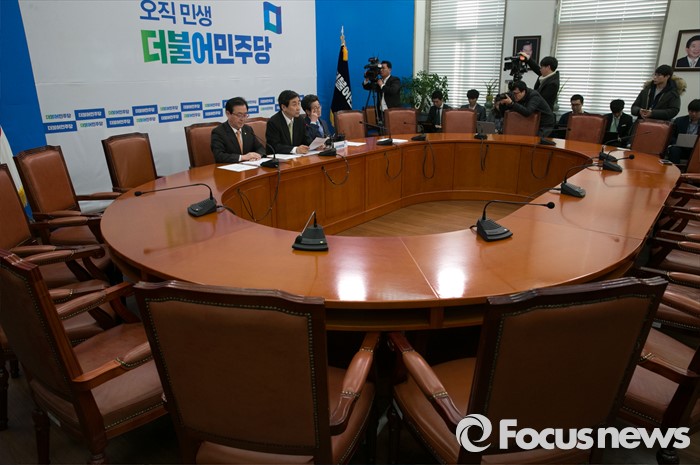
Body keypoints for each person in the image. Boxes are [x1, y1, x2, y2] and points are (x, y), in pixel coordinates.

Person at [211, 97, 265, 163]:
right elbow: (219, 156)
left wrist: (257, 155)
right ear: (228, 114)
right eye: (239, 115)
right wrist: (242, 157)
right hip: (229, 168)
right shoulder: (219, 132)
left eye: (245, 115)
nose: (242, 119)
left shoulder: (248, 129)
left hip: (249, 167)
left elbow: (260, 148)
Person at [266, 90, 312, 154]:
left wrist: (315, 145)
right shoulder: (273, 122)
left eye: (298, 103)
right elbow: (275, 146)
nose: (298, 108)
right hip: (280, 158)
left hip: (297, 157)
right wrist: (295, 150)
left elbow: (306, 140)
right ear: (284, 107)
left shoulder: (300, 120)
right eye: (294, 105)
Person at [666, 98, 700, 164]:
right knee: (674, 150)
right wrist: (677, 142)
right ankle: (674, 169)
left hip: (696, 150)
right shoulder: (679, 121)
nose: (693, 114)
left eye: (696, 112)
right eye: (691, 111)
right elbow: (671, 136)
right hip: (680, 148)